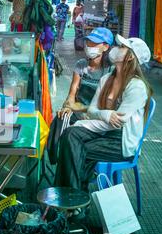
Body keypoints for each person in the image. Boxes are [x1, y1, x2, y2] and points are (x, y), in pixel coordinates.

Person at [54, 35, 153, 192]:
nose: (116, 48)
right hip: (104, 131)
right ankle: (72, 199)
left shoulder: (137, 87)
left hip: (120, 141)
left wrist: (84, 122)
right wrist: (105, 114)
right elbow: (93, 110)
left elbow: (117, 122)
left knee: (75, 146)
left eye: (122, 47)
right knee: (70, 135)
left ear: (130, 57)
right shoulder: (106, 79)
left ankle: (70, 198)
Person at [47, 27, 114, 164]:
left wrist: (87, 111)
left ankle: (69, 163)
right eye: (88, 43)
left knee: (70, 132)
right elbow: (72, 94)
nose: (89, 47)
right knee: (60, 118)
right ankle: (58, 160)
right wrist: (67, 106)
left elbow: (109, 105)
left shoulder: (112, 70)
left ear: (106, 47)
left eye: (94, 44)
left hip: (98, 115)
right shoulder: (81, 65)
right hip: (79, 109)